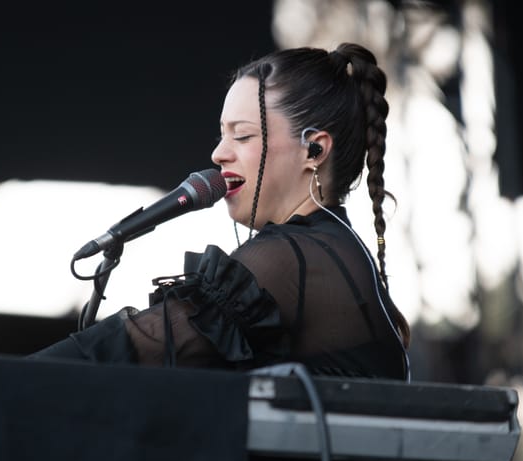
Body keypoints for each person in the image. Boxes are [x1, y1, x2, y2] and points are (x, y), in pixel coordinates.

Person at [28, 42, 411, 381]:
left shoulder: (294, 259)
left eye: (242, 135)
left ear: (314, 150)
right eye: (222, 134)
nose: (218, 154)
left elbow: (126, 351)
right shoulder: (328, 248)